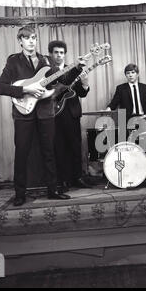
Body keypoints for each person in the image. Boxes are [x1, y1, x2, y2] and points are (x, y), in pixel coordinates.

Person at [0, 26, 83, 206]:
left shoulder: (46, 60)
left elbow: (62, 82)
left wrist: (77, 68)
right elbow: (0, 87)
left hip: (45, 113)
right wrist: (25, 89)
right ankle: (20, 193)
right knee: (22, 153)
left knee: (49, 152)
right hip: (23, 113)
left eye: (34, 37)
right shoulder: (14, 62)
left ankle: (53, 190)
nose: (31, 41)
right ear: (20, 41)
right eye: (27, 38)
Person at [48, 40, 92, 192]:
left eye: (61, 52)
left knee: (75, 146)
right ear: (51, 54)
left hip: (72, 113)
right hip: (55, 114)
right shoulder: (47, 71)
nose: (59, 55)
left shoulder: (73, 69)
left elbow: (82, 93)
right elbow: (61, 83)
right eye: (56, 52)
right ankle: (63, 180)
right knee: (59, 148)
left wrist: (85, 84)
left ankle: (77, 177)